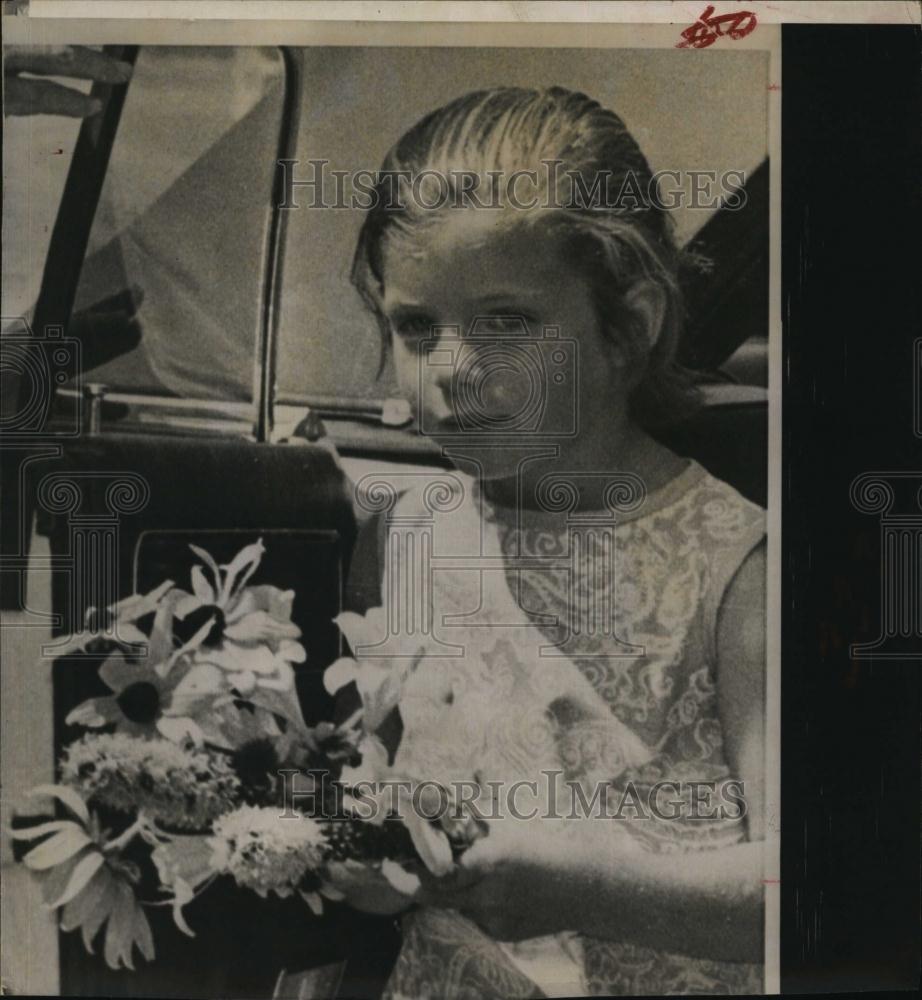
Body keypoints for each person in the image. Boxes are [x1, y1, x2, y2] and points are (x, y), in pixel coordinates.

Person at [340, 86, 768, 997]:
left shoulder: (737, 568)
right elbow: (380, 785)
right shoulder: (412, 531)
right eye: (417, 327)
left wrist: (578, 888)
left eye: (508, 321)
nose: (452, 369)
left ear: (630, 327)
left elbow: (817, 892)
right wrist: (366, 865)